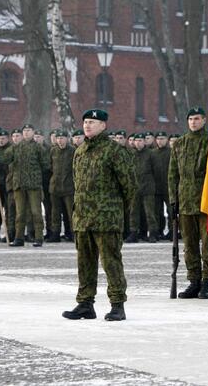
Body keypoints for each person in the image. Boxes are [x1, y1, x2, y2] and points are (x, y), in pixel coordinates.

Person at [62, 109, 136, 322]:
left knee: (111, 262)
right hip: (83, 218)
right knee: (84, 262)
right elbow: (77, 185)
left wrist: (117, 211)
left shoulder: (114, 151)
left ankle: (117, 304)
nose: (87, 125)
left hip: (107, 218)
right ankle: (85, 303)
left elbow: (129, 185)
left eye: (92, 122)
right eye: (85, 122)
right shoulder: (80, 151)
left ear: (103, 125)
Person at [168, 107, 208, 299]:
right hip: (186, 203)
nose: (193, 122)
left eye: (197, 119)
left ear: (204, 120)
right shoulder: (180, 144)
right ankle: (194, 281)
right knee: (189, 245)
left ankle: (207, 281)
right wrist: (173, 200)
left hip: (206, 201)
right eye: (190, 119)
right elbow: (173, 175)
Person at [0, 124, 50, 247]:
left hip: (33, 185)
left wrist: (34, 173)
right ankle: (19, 238)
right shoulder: (15, 148)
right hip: (19, 184)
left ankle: (38, 237)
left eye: (29, 131)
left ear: (33, 132)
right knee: (20, 214)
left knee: (36, 212)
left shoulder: (38, 148)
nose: (26, 133)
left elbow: (46, 164)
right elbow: (5, 159)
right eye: (24, 131)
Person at [48, 130, 75, 242]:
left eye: (62, 138)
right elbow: (50, 166)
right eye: (58, 138)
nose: (60, 140)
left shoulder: (72, 151)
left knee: (71, 213)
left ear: (67, 139)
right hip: (55, 187)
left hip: (68, 187)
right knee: (55, 212)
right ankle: (56, 233)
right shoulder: (53, 151)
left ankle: (74, 233)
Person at [152, 131, 172, 239]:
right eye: (158, 139)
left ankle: (171, 231)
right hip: (156, 187)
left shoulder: (171, 152)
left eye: (162, 138)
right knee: (157, 211)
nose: (160, 141)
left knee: (171, 211)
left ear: (167, 140)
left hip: (168, 186)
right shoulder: (153, 153)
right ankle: (158, 231)